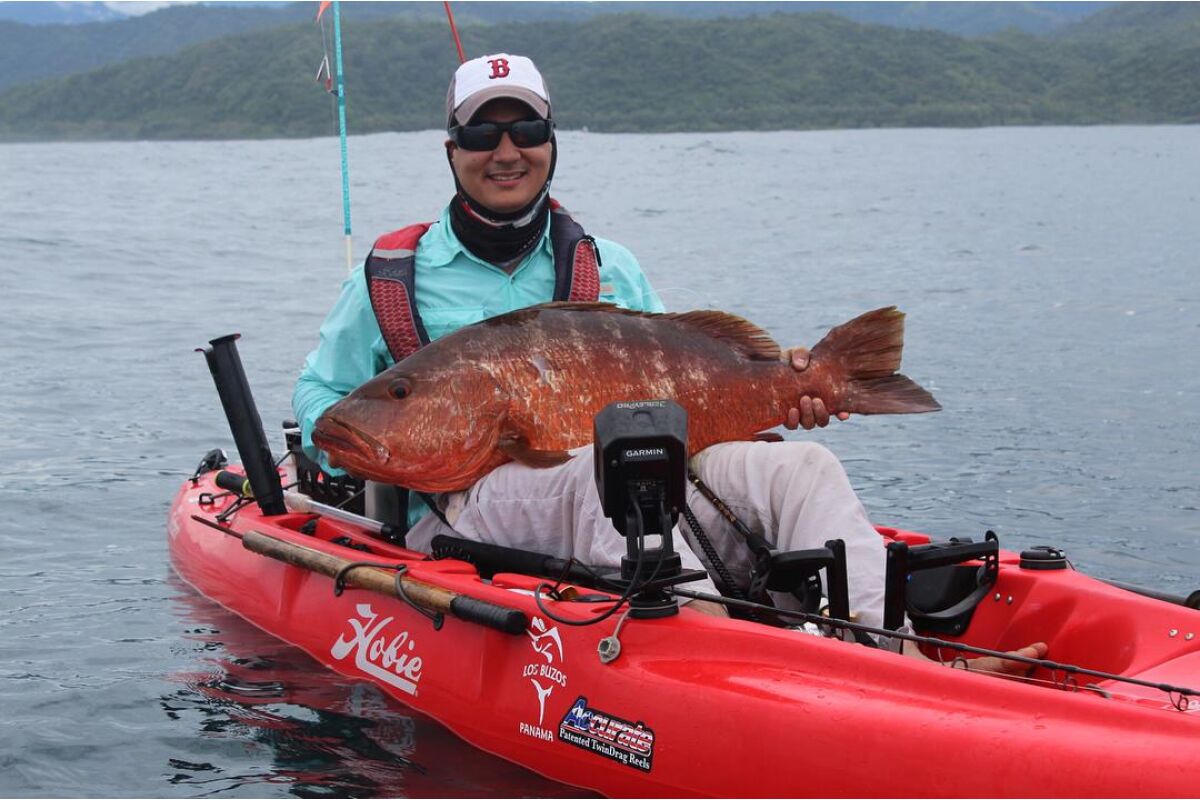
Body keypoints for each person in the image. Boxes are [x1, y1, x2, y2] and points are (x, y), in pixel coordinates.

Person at [294, 53, 1045, 676]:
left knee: (803, 468)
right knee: (602, 470)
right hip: (462, 512)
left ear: (552, 141)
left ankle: (897, 663)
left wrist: (785, 393)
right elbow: (321, 395)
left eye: (527, 128)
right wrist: (356, 452)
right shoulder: (392, 277)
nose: (506, 150)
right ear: (451, 148)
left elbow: (678, 387)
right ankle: (714, 665)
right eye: (482, 132)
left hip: (637, 491)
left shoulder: (608, 265)